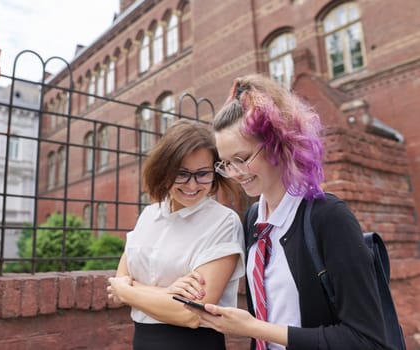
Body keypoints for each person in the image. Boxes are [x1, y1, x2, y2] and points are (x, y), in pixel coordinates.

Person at [174, 74, 389, 349]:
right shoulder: (253, 218)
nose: (236, 174)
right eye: (226, 164)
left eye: (242, 158)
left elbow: (366, 340)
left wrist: (255, 328)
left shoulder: (329, 217)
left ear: (278, 143)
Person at [107, 119, 246, 350]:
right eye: (181, 174)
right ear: (164, 170)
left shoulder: (223, 222)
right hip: (142, 341)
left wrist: (128, 291)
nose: (192, 185)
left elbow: (191, 314)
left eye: (203, 174)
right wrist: (166, 293)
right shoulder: (149, 215)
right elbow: (117, 283)